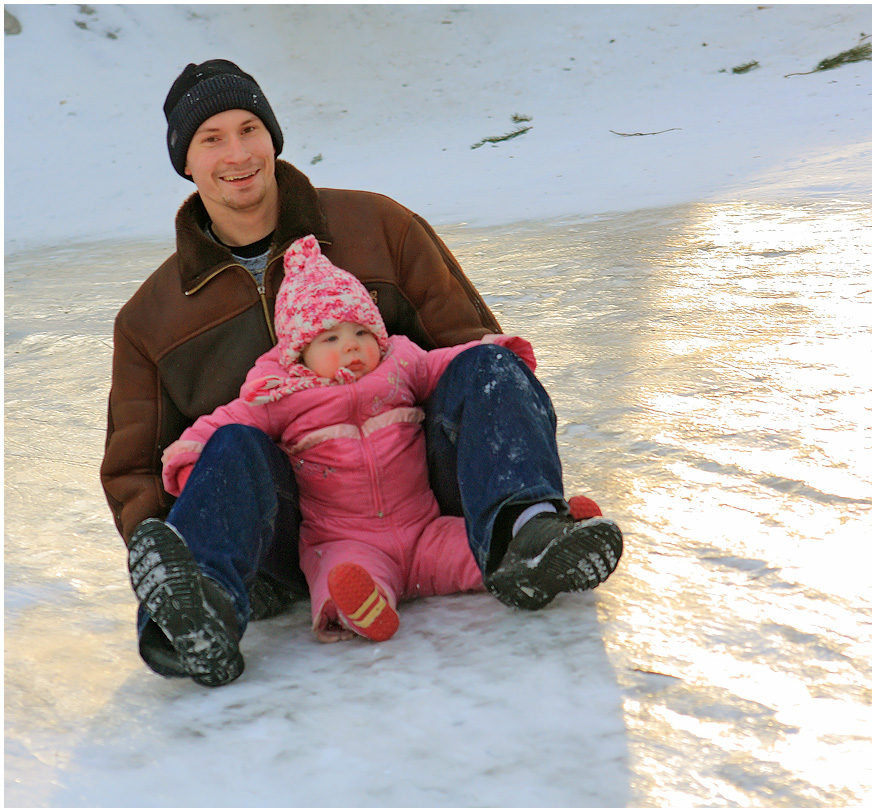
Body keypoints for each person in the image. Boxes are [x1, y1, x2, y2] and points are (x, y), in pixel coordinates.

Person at [101, 59, 623, 687]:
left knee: (488, 362)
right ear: (186, 162)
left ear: (273, 137)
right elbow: (133, 470)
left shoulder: (380, 227)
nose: (236, 153)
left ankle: (524, 535)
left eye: (249, 129)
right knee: (235, 441)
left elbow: (471, 357)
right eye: (211, 139)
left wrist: (502, 399)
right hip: (273, 540)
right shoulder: (150, 320)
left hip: (421, 502)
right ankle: (197, 610)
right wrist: (167, 550)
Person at [161, 234, 539, 644]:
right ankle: (360, 610)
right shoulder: (282, 393)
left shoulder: (400, 364)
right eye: (331, 339)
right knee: (343, 577)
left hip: (425, 528)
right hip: (343, 540)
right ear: (299, 353)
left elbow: (445, 363)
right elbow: (225, 423)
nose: (352, 347)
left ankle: (540, 545)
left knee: (484, 549)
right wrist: (188, 460)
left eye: (361, 332)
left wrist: (498, 352)